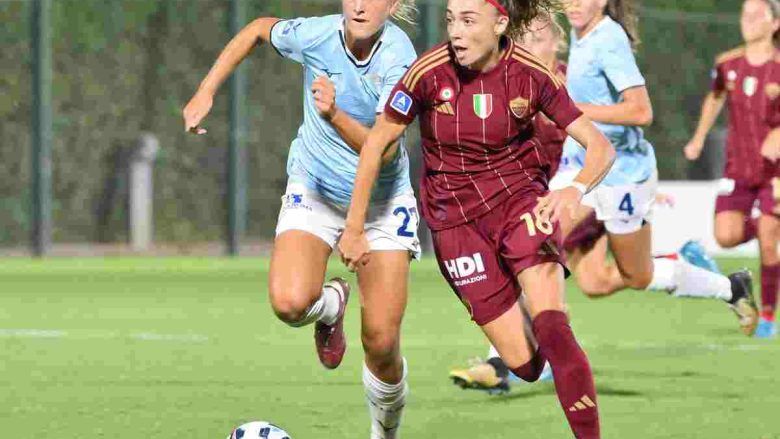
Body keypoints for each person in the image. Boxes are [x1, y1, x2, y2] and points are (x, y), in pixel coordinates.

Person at [338, 0, 616, 436]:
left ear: (501, 23)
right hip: (455, 224)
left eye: (468, 21)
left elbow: (600, 146)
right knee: (524, 364)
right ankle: (534, 309)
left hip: (520, 201)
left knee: (553, 323)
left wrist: (573, 187)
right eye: (451, 20)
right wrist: (354, 228)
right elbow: (377, 144)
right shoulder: (427, 72)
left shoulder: (532, 74)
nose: (456, 32)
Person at [447, 10, 735, 395]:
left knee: (527, 251)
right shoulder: (512, 82)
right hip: (559, 191)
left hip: (582, 191)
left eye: (537, 40)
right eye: (524, 40)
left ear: (556, 43)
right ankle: (720, 283)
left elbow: (623, 120)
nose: (528, 47)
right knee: (600, 281)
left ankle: (503, 364)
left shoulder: (566, 82)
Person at [182, 1, 419, 437]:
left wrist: (334, 114)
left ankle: (384, 434)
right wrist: (207, 90)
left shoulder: (400, 61)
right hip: (315, 187)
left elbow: (382, 152)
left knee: (381, 344)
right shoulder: (315, 34)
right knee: (290, 304)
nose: (361, 5)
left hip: (381, 204)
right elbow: (256, 29)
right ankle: (331, 304)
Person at [559, 0, 758, 332]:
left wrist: (571, 109)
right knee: (583, 274)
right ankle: (519, 357)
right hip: (584, 164)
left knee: (637, 276)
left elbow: (640, 112)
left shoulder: (608, 40)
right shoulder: (580, 30)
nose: (573, 3)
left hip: (622, 174)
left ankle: (729, 287)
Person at [685, 0, 780, 339]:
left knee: (769, 239)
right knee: (725, 236)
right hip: (737, 168)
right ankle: (744, 275)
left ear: (775, 24)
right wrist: (698, 137)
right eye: (745, 14)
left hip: (775, 173)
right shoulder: (728, 63)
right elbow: (714, 98)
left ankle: (768, 316)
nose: (749, 20)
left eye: (758, 15)